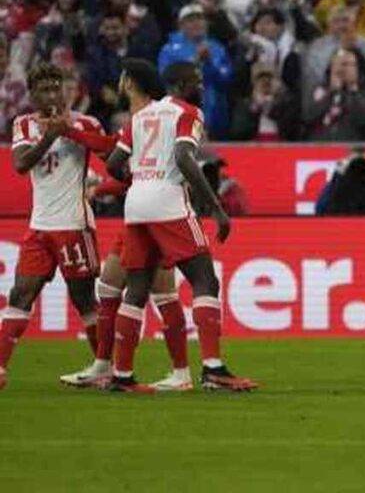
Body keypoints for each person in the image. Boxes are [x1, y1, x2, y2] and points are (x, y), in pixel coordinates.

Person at [104, 59, 256, 393]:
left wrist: (140, 178)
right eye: (197, 81)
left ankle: (122, 375)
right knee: (205, 279)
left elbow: (114, 164)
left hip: (136, 205)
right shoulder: (188, 113)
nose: (200, 86)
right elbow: (185, 157)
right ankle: (213, 369)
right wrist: (215, 208)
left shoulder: (140, 116)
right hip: (169, 203)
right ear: (183, 83)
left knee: (137, 289)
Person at [54, 63, 191, 391]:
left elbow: (119, 158)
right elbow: (117, 155)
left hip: (159, 213)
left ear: (129, 83)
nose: (117, 81)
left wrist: (68, 133)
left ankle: (179, 372)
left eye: (122, 77)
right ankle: (104, 364)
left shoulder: (153, 116)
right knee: (110, 283)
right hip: (139, 214)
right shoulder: (141, 118)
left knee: (162, 291)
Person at [0, 63, 104, 390]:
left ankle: (106, 367)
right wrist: (51, 136)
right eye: (44, 89)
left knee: (84, 299)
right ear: (32, 95)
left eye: (56, 87)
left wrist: (106, 184)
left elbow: (111, 152)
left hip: (74, 225)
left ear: (65, 89)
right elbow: (20, 164)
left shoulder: (86, 123)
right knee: (20, 293)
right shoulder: (24, 125)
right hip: (40, 227)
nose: (52, 95)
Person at [157, 4, 233, 140]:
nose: (196, 23)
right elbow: (166, 78)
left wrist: (209, 63)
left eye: (200, 18)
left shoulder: (217, 48)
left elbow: (227, 79)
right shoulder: (169, 50)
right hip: (182, 113)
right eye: (190, 20)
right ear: (181, 25)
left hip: (215, 112)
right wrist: (195, 61)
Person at [307, 48, 365, 142]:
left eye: (349, 65)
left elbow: (364, 120)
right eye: (340, 64)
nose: (343, 69)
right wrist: (331, 92)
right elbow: (308, 117)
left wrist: (352, 90)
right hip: (319, 149)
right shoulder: (319, 89)